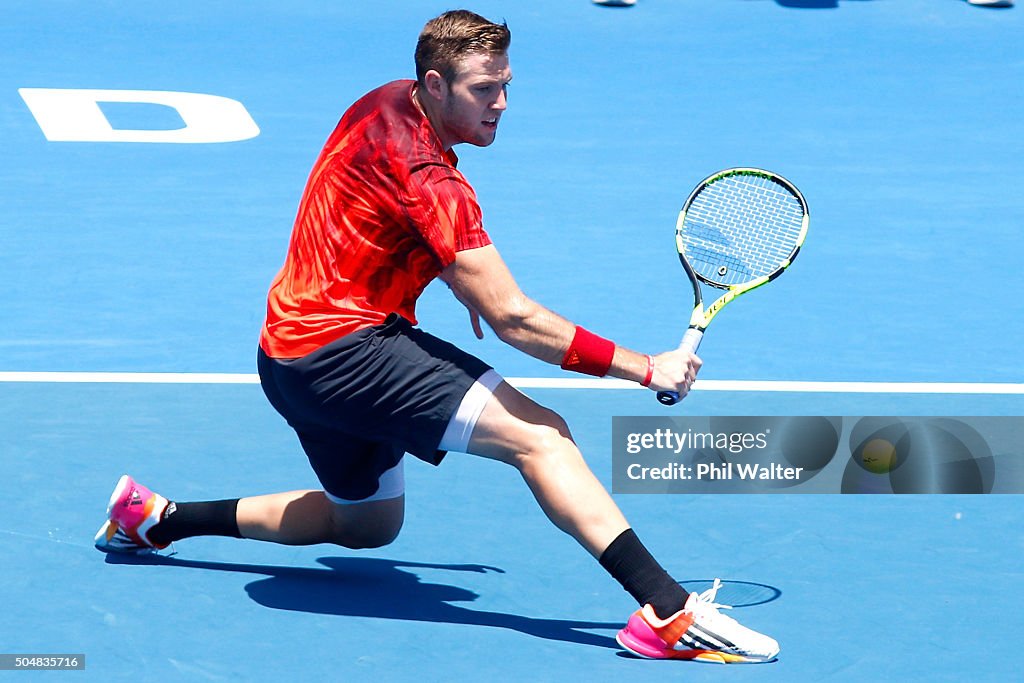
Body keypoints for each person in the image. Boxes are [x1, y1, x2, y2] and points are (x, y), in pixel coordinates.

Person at [93, 9, 778, 663]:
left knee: (366, 527)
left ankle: (155, 516)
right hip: (350, 352)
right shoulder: (434, 182)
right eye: (484, 89)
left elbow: (382, 207)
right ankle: (666, 611)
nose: (501, 102)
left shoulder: (383, 101)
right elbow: (514, 317)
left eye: (506, 85)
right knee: (543, 437)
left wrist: (445, 272)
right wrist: (642, 367)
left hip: (284, 356)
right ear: (434, 85)